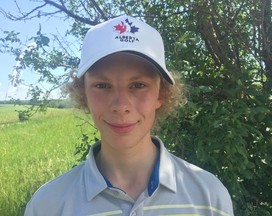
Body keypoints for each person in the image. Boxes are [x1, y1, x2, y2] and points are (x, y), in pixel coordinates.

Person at [24, 15, 234, 216]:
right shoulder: (47, 206)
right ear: (83, 94)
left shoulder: (209, 197)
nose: (121, 105)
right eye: (102, 85)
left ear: (161, 94)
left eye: (138, 85)